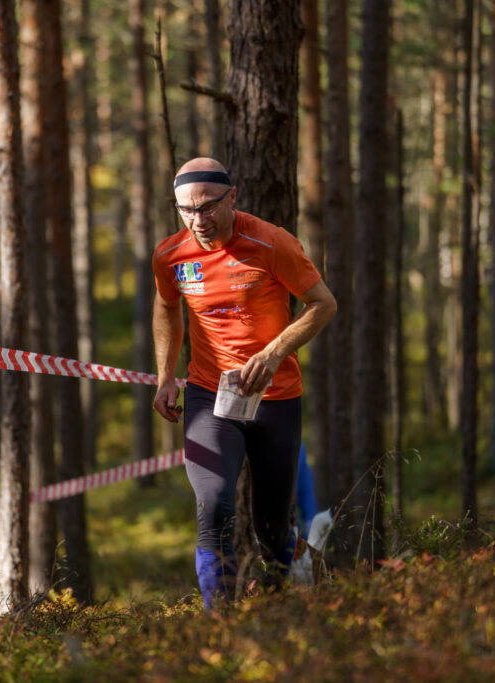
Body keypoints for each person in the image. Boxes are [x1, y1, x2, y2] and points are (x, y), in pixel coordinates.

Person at [151, 157, 336, 609]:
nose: (198, 220)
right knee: (213, 507)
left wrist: (273, 354)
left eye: (209, 208)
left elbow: (322, 304)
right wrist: (165, 377)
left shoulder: (272, 243)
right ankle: (221, 630)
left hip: (275, 398)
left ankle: (280, 610)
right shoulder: (171, 254)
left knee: (273, 526)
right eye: (186, 211)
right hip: (208, 396)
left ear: (232, 197)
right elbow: (166, 308)